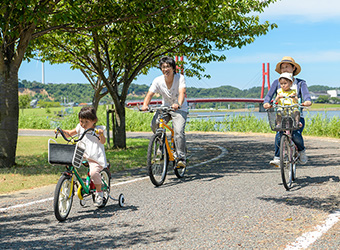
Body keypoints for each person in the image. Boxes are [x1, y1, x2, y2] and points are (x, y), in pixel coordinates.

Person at [263, 56, 312, 166]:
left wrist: (307, 101)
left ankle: (301, 150)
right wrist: (267, 103)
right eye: (282, 68)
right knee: (279, 134)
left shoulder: (300, 83)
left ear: (293, 68)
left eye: (287, 67)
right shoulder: (277, 82)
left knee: (295, 134)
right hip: (282, 114)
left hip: (296, 114)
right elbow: (269, 96)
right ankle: (277, 157)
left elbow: (306, 96)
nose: (284, 69)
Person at [141, 56, 188, 168]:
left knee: (178, 131)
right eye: (163, 67)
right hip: (165, 107)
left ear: (173, 68)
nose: (165, 69)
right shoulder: (158, 80)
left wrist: (178, 104)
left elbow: (182, 92)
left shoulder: (180, 78)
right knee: (155, 124)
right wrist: (145, 105)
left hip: (179, 108)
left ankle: (181, 157)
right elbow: (150, 94)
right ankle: (162, 146)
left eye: (168, 67)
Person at [60, 106, 107, 207]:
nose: (83, 124)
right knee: (69, 162)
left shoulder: (98, 129)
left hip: (95, 157)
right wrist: (61, 131)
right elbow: (69, 134)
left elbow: (103, 142)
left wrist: (101, 135)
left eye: (86, 122)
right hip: (82, 154)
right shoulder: (80, 127)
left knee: (94, 173)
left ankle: (99, 193)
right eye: (81, 121)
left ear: (94, 121)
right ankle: (71, 181)